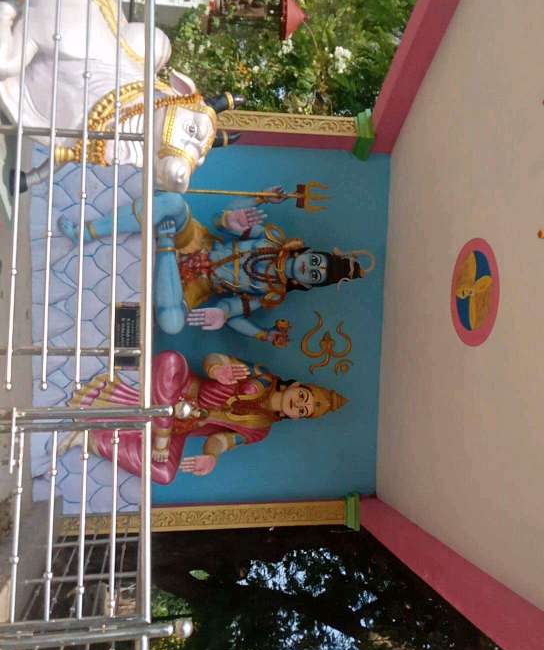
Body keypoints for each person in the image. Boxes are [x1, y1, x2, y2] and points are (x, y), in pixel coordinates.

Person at [58, 190, 374, 344]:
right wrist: (246, 207)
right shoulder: (271, 238)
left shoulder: (272, 293)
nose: (310, 268)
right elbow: (224, 219)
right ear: (310, 252)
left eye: (316, 275)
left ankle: (164, 247)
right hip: (199, 244)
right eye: (316, 262)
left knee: (172, 324)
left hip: (197, 284)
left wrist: (253, 330)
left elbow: (232, 310)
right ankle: (88, 232)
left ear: (308, 284)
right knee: (173, 203)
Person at [63, 350, 347, 482]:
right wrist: (217, 369)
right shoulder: (262, 375)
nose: (298, 404)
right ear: (297, 386)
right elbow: (216, 358)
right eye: (303, 397)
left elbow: (222, 440)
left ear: (296, 417)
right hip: (181, 389)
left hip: (181, 427)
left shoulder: (260, 430)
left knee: (164, 473)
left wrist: (211, 456)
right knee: (172, 360)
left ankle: (92, 440)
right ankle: (159, 426)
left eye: (303, 410)